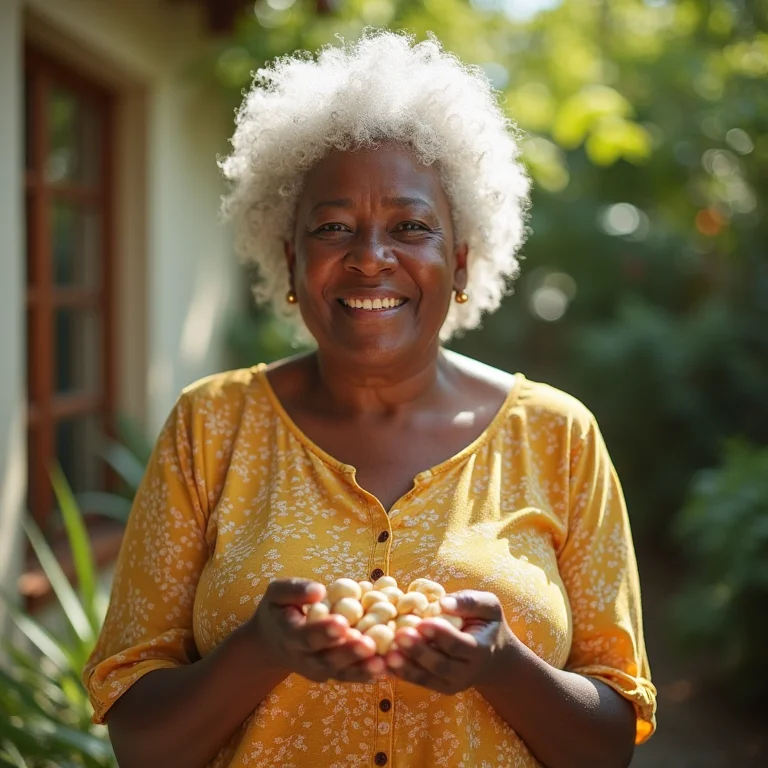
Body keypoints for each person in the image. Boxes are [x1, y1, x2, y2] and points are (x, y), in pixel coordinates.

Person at [83, 31, 656, 768]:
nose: (370, 256)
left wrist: (504, 664)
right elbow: (140, 743)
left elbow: (608, 744)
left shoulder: (558, 436)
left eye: (410, 226)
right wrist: (260, 650)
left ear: (460, 261)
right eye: (333, 227)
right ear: (289, 260)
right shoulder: (211, 425)